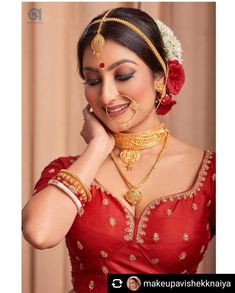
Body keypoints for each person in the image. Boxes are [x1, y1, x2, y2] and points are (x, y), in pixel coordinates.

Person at [22, 7, 215, 293]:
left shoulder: (210, 172)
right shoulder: (69, 171)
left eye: (123, 75)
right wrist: (98, 148)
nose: (106, 95)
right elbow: (40, 233)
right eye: (93, 80)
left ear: (160, 78)